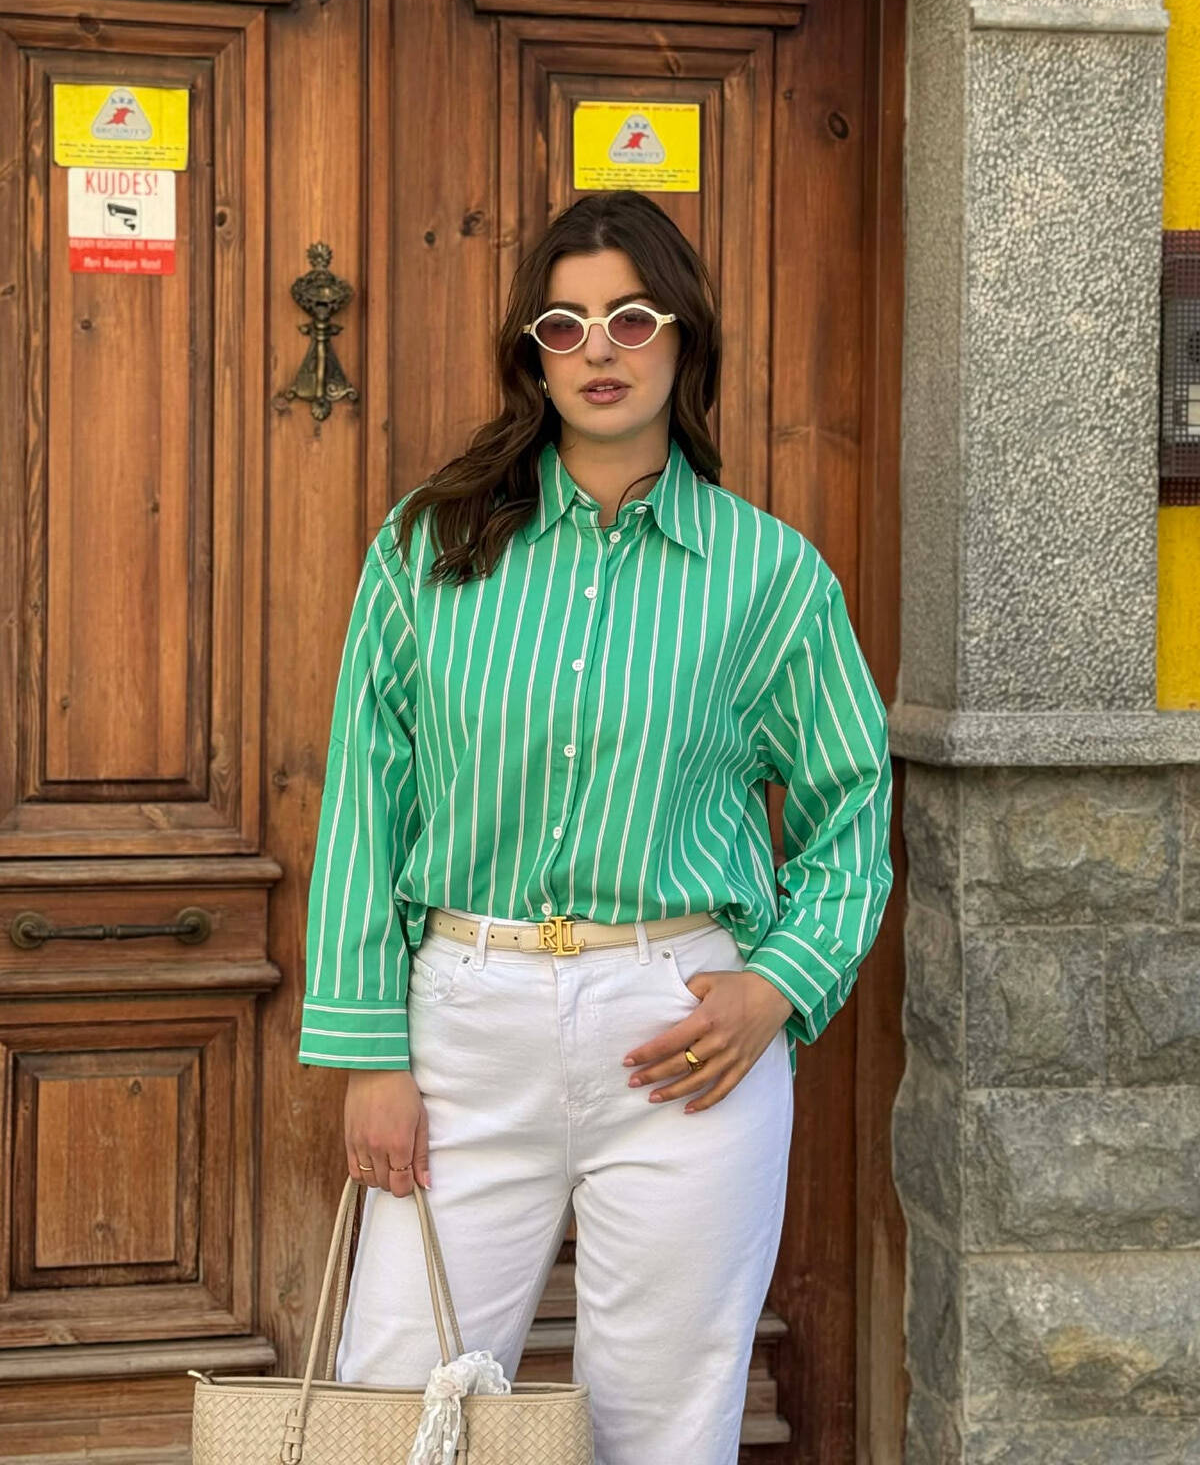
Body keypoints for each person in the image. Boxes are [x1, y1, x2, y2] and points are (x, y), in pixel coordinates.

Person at [298, 189, 893, 1465]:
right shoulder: (429, 546)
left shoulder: (769, 574)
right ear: (533, 353)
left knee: (664, 1421)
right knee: (396, 1407)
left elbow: (852, 804)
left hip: (682, 1032)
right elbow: (366, 798)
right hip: (462, 1023)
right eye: (564, 325)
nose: (599, 350)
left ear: (685, 338)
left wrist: (780, 985)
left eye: (632, 317)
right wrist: (369, 1052)